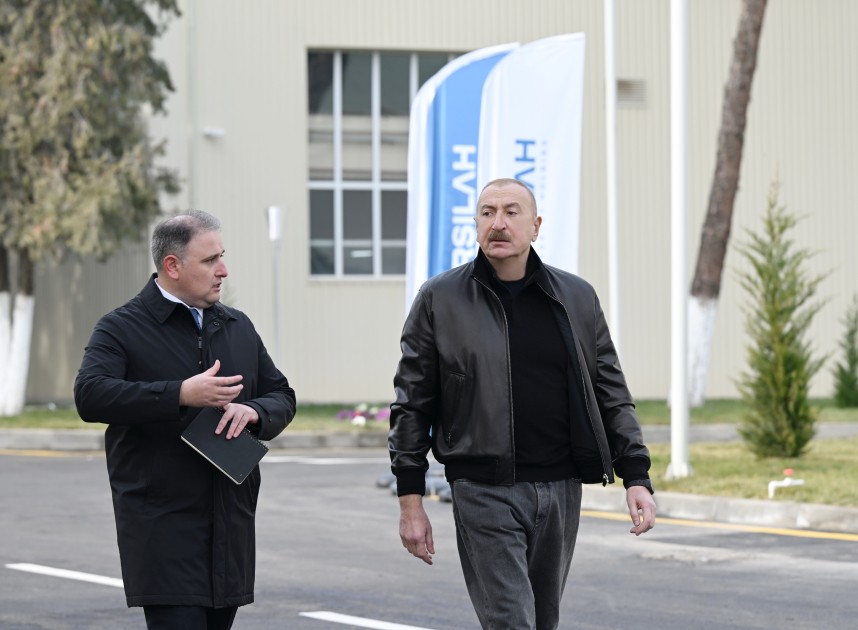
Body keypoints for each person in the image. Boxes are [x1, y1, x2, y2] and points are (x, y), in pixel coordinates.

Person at [389, 178, 656, 629]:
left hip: (561, 488)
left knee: (542, 621)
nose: (498, 223)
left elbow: (611, 392)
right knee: (512, 621)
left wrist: (637, 475)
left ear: (536, 226)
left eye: (511, 212)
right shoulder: (440, 299)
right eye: (487, 212)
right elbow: (411, 404)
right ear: (476, 224)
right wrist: (410, 502)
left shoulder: (577, 297)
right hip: (482, 487)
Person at [74, 210, 296, 630]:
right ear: (172, 266)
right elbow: (90, 395)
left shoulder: (237, 326)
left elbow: (282, 395)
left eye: (222, 257)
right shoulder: (120, 328)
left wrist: (254, 411)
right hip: (162, 529)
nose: (223, 270)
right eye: (210, 260)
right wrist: (179, 394)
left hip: (229, 525)